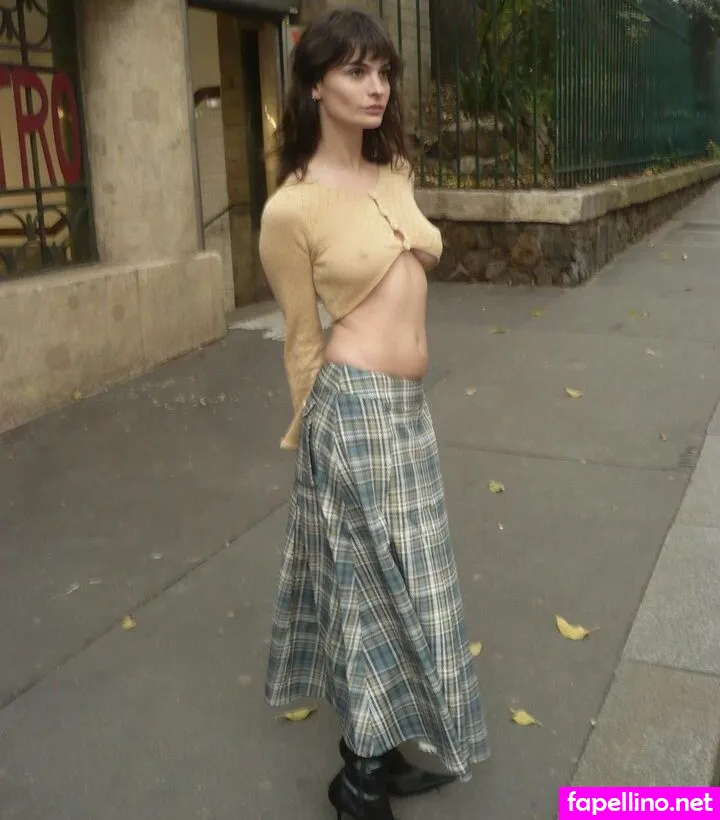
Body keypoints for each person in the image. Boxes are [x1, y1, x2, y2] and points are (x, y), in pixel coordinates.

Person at [258, 8, 489, 819]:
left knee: (415, 585)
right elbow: (299, 339)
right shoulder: (291, 210)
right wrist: (314, 444)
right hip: (351, 413)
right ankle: (357, 781)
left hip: (407, 414)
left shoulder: (395, 174)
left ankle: (382, 749)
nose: (377, 86)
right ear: (315, 85)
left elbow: (412, 258)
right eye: (356, 71)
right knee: (367, 593)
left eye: (383, 70)